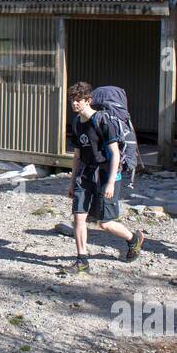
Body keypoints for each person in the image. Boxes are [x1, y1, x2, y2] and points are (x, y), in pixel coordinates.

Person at [66, 81, 145, 273]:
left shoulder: (102, 121)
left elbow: (115, 154)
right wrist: (71, 182)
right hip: (85, 174)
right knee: (79, 218)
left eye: (78, 100)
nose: (75, 104)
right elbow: (77, 155)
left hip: (106, 174)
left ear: (88, 100)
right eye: (72, 101)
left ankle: (133, 238)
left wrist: (110, 182)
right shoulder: (76, 123)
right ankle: (82, 259)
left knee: (105, 223)